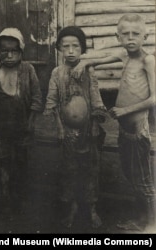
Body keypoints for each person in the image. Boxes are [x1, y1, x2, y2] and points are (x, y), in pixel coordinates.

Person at [72, 14, 156, 232]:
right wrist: (85, 62)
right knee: (130, 176)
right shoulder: (125, 56)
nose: (130, 38)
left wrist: (125, 110)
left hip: (138, 131)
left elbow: (154, 98)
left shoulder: (148, 60)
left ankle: (152, 224)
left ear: (145, 36)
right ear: (117, 36)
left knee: (144, 182)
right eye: (125, 34)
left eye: (135, 34)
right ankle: (139, 219)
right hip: (124, 130)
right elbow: (102, 58)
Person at [43, 26, 107, 229]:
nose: (70, 51)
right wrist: (61, 129)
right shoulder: (57, 73)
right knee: (68, 170)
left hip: (89, 131)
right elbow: (52, 102)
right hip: (68, 133)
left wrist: (96, 125)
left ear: (82, 49)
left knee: (90, 170)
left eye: (75, 46)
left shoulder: (89, 70)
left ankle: (91, 208)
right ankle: (71, 208)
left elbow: (96, 100)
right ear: (59, 49)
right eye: (65, 46)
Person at [0, 28, 43, 218]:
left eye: (14, 51)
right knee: (2, 166)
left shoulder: (28, 70)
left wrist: (31, 123)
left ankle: (20, 201)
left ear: (21, 52)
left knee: (21, 165)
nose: (9, 56)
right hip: (2, 130)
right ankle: (4, 202)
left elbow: (36, 99)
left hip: (23, 129)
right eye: (4, 51)